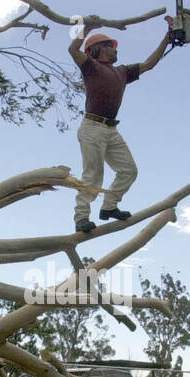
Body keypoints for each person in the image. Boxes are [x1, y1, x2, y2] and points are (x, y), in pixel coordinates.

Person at [67, 19, 173, 233]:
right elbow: (72, 49)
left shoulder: (122, 72)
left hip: (111, 130)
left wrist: (167, 38)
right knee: (93, 175)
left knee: (128, 170)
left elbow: (150, 63)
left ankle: (109, 206)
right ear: (100, 49)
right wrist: (87, 29)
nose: (116, 50)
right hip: (92, 127)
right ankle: (81, 218)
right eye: (112, 47)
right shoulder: (91, 67)